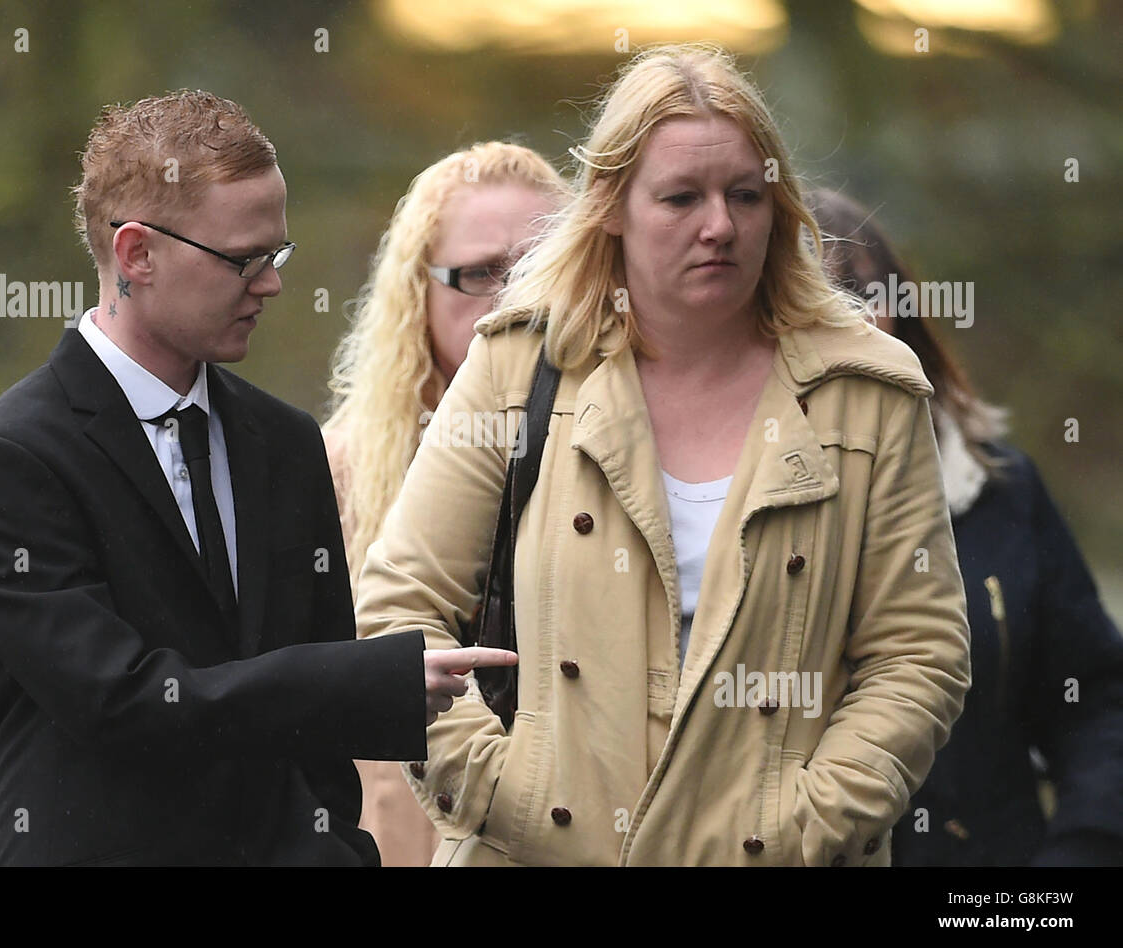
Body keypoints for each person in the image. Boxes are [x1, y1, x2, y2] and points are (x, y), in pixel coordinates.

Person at [353, 44, 971, 866]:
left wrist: (807, 822)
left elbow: (919, 652)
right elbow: (398, 610)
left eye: (745, 195)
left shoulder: (871, 388)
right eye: (681, 197)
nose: (719, 225)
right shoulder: (518, 364)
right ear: (611, 204)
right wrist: (504, 793)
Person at [0, 90, 511, 866]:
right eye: (244, 259)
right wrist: (364, 679)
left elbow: (318, 751)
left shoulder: (284, 441)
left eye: (277, 256)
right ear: (137, 254)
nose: (270, 284)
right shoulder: (7, 461)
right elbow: (122, 701)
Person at [810, 187, 1123, 866]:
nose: (848, 325)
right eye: (812, 302)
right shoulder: (701, 507)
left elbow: (1096, 704)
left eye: (861, 295)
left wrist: (1080, 856)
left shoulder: (1001, 490)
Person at [321, 142, 566, 865]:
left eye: (540, 267)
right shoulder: (335, 470)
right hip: (392, 834)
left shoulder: (634, 446)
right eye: (480, 274)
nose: (515, 295)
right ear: (416, 292)